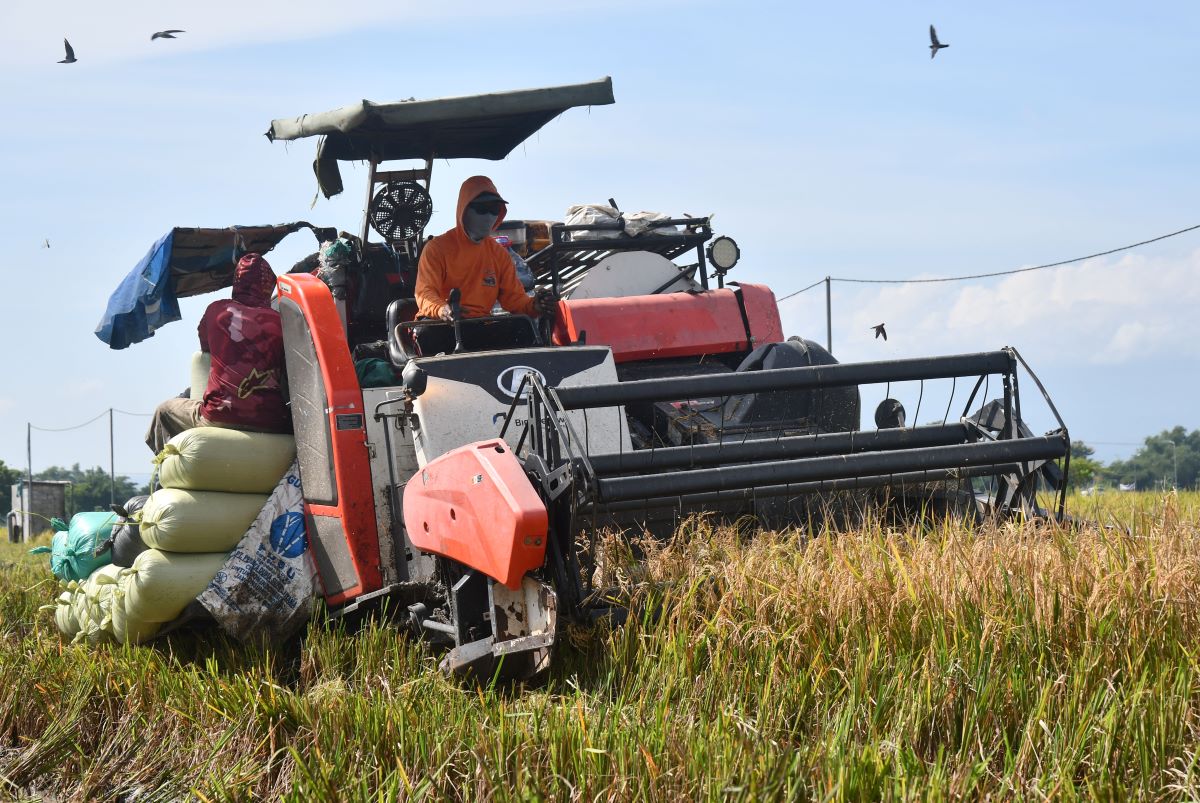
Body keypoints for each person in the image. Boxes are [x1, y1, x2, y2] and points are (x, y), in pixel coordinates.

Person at [145, 253, 291, 453]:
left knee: (164, 410)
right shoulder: (281, 322)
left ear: (236, 283)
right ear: (268, 286)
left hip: (219, 415)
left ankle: (163, 469)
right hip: (273, 420)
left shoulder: (217, 310)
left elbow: (205, 347)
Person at [413, 176, 554, 353]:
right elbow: (424, 292)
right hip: (442, 325)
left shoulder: (499, 254)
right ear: (464, 209)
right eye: (482, 209)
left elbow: (515, 299)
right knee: (428, 334)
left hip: (479, 326)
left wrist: (535, 306)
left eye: (494, 209)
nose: (489, 216)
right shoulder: (437, 248)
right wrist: (443, 310)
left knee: (523, 328)